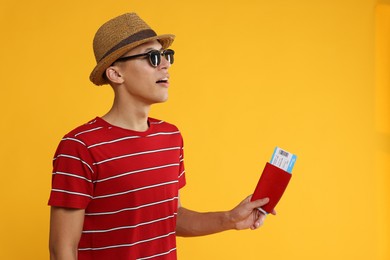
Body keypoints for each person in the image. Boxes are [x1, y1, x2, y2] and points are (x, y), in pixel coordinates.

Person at [48, 13, 275, 260]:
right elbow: (62, 249)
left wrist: (230, 219)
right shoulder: (80, 146)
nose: (165, 65)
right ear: (115, 74)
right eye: (152, 58)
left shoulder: (171, 137)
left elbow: (169, 217)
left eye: (166, 56)